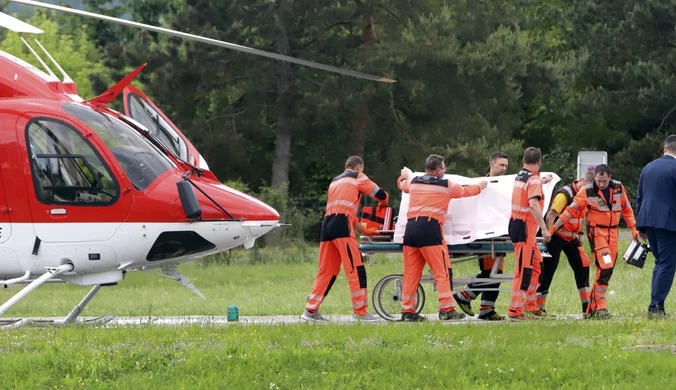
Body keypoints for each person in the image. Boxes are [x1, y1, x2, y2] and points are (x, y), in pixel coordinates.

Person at [397, 154, 487, 322]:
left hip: (410, 231)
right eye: (444, 168)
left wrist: (403, 175)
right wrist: (480, 186)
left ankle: (407, 312)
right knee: (442, 272)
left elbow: (402, 185)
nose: (444, 171)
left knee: (411, 274)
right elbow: (466, 191)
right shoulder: (446, 185)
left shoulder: (414, 181)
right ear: (438, 170)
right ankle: (446, 310)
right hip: (430, 230)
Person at [301, 156, 389, 323]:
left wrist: (362, 229)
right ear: (358, 168)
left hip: (327, 225)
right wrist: (384, 204)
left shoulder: (334, 181)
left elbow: (343, 209)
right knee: (355, 268)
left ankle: (310, 310)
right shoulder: (358, 177)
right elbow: (380, 194)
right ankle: (360, 312)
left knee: (326, 270)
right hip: (342, 225)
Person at [551, 164, 638, 319]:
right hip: (597, 232)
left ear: (610, 177)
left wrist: (633, 229)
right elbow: (570, 211)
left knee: (608, 268)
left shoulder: (619, 188)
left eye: (604, 181)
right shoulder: (587, 191)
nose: (601, 184)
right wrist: (553, 228)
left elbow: (627, 209)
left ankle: (592, 307)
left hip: (613, 232)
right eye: (598, 181)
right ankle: (600, 304)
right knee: (604, 265)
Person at [454, 152, 510, 321]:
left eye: (506, 166)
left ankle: (487, 308)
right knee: (491, 271)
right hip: (486, 236)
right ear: (492, 164)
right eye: (501, 165)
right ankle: (465, 295)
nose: (504, 169)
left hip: (500, 234)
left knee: (496, 271)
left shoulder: (505, 186)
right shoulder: (481, 185)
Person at [536, 171, 594, 315]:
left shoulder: (587, 194)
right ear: (580, 181)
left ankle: (587, 307)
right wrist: (548, 234)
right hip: (555, 236)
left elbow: (582, 215)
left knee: (583, 265)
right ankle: (538, 307)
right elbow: (551, 215)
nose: (586, 190)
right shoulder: (565, 195)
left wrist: (580, 233)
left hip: (571, 237)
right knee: (548, 270)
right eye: (585, 187)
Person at [507, 147, 552, 320]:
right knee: (523, 269)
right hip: (525, 227)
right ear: (539, 162)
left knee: (535, 265)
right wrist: (545, 229)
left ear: (523, 161)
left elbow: (533, 181)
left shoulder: (521, 176)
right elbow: (533, 204)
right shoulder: (533, 180)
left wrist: (544, 180)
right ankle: (515, 311)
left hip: (520, 226)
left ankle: (530, 305)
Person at [636, 135, 676, 317]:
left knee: (660, 263)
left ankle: (655, 303)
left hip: (648, 220)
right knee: (667, 264)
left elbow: (640, 196)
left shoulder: (648, 167)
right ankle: (656, 306)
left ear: (664, 148)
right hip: (668, 222)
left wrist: (640, 226)